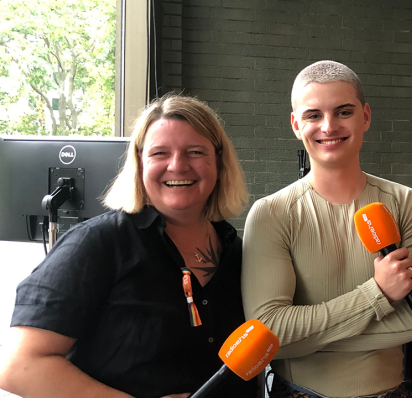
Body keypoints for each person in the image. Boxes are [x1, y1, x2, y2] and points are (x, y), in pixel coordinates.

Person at [0, 94, 256, 398]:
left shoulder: (239, 252)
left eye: (195, 151)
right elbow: (18, 366)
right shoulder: (97, 244)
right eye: (160, 153)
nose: (178, 165)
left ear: (219, 162)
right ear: (139, 163)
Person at [241, 60, 412, 398]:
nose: (329, 126)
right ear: (295, 124)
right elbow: (270, 332)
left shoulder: (407, 203)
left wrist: (304, 340)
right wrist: (377, 294)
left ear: (365, 116)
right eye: (313, 115)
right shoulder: (271, 214)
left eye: (343, 112)